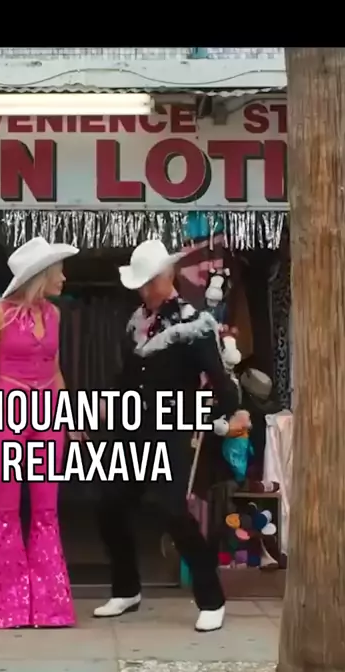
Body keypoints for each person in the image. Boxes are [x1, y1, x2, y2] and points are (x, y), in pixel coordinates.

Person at [93, 240, 242, 632]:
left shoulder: (194, 325)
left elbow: (224, 386)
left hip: (171, 430)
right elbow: (127, 377)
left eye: (148, 283)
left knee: (171, 509)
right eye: (139, 285)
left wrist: (208, 420)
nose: (143, 292)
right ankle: (126, 589)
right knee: (110, 506)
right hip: (130, 430)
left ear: (166, 277)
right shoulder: (136, 323)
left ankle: (211, 598)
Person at [0, 237, 79, 629]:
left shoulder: (55, 314)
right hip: (8, 411)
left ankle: (50, 608)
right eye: (59, 271)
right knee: (7, 509)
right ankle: (6, 608)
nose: (64, 277)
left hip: (48, 413)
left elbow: (55, 369)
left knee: (46, 509)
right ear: (41, 275)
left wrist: (70, 417)